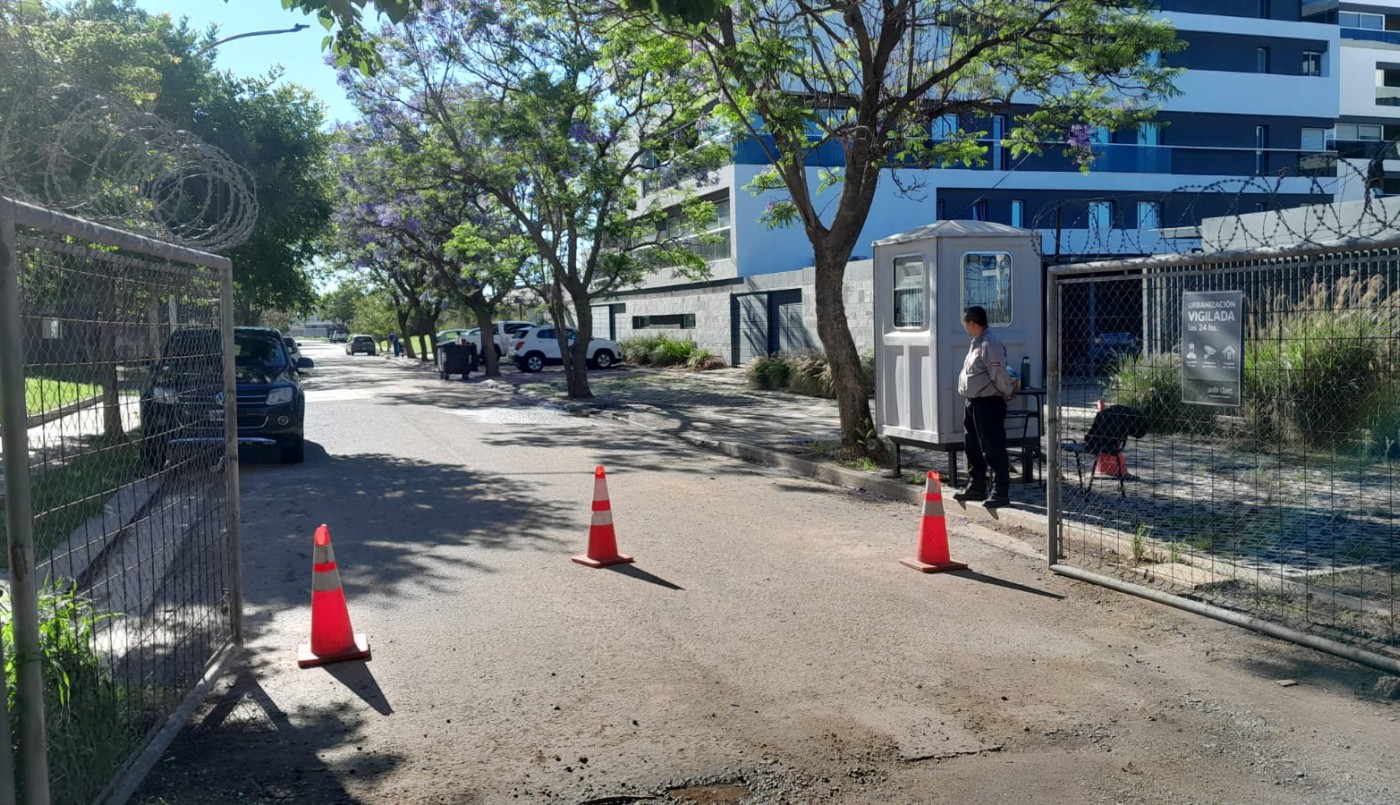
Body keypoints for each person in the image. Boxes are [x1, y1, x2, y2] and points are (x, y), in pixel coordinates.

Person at [954, 305, 1016, 508]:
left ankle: (1000, 491)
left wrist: (1006, 391)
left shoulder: (990, 343)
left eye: (965, 323)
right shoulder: (976, 343)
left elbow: (998, 374)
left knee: (992, 448)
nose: (964, 327)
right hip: (973, 402)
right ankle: (977, 485)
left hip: (988, 402)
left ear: (972, 323)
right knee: (972, 447)